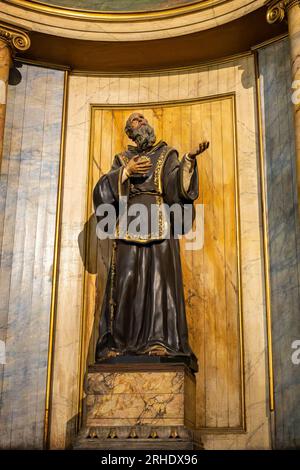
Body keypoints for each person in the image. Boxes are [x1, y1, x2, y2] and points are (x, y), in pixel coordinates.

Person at [93, 112, 209, 371]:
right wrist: (125, 172)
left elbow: (174, 188)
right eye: (135, 121)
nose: (142, 121)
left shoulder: (166, 154)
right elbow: (101, 192)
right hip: (128, 224)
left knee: (159, 285)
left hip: (160, 224)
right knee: (125, 284)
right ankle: (119, 343)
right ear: (129, 132)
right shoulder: (122, 159)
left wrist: (188, 161)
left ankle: (161, 341)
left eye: (143, 119)